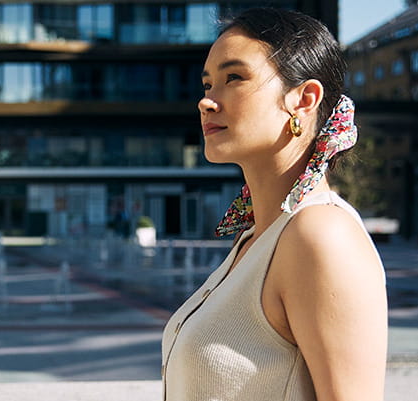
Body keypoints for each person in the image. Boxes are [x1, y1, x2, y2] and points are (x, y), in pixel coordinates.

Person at [162, 8, 387, 401]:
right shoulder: (257, 236)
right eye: (207, 84)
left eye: (234, 78)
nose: (207, 102)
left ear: (303, 99)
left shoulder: (320, 235)